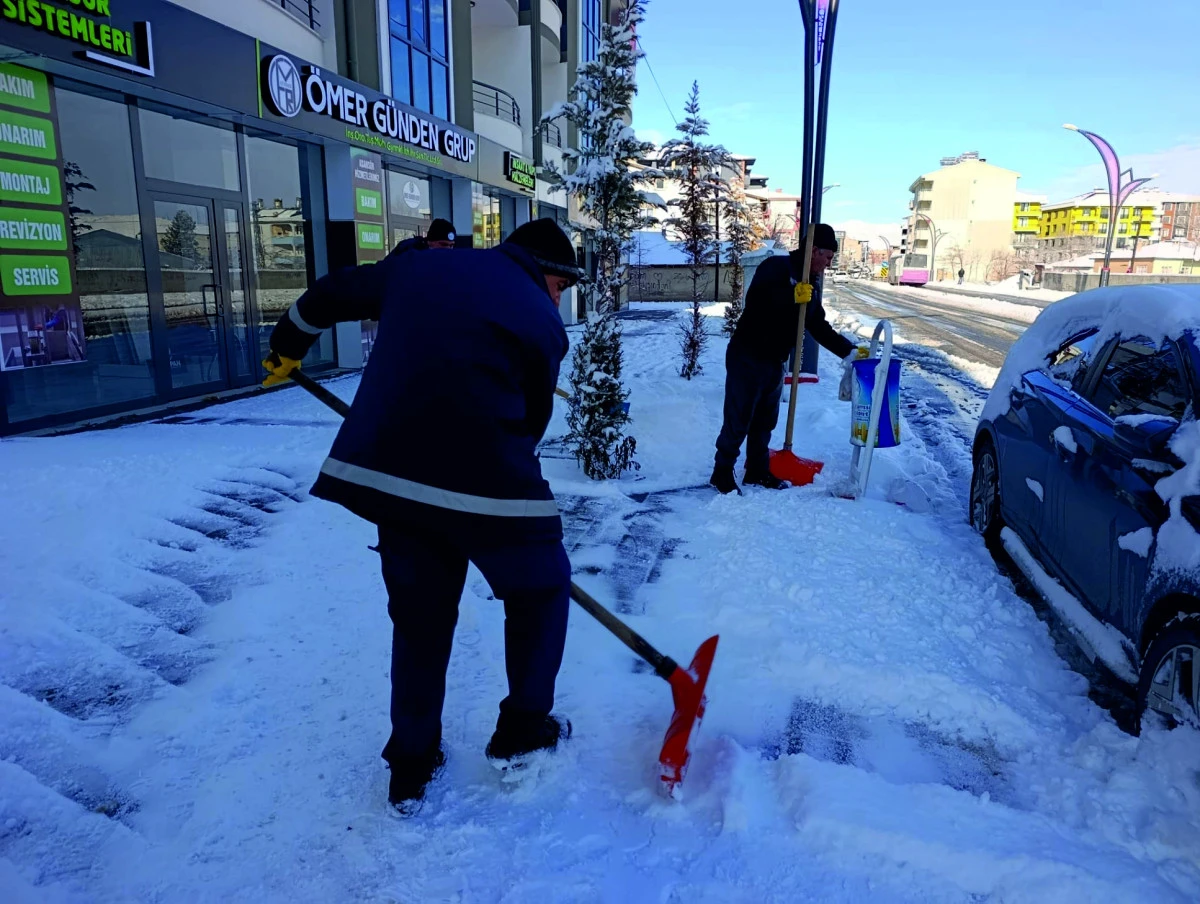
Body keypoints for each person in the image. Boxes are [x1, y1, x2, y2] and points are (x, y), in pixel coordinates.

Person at [261, 219, 583, 815]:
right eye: (561, 286)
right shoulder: (542, 320)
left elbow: (328, 295)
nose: (558, 299)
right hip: (492, 482)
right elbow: (532, 423)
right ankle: (521, 732)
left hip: (395, 476)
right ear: (545, 272)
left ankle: (410, 763)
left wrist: (288, 346)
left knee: (420, 619)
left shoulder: (417, 265)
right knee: (541, 590)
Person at [711, 223, 864, 494]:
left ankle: (756, 470)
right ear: (814, 250)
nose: (828, 264)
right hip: (747, 354)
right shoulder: (775, 267)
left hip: (773, 360)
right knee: (739, 418)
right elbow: (756, 301)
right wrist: (790, 297)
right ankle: (721, 472)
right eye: (827, 257)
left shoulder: (811, 284)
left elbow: (818, 326)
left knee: (764, 421)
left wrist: (848, 351)